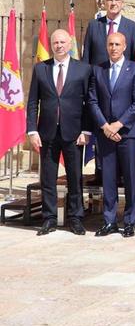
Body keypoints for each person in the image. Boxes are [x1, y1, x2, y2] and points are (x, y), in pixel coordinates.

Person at [26, 29, 92, 236]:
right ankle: (49, 218)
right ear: (51, 45)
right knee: (48, 177)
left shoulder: (83, 69)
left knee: (75, 177)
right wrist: (31, 130)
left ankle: (75, 218)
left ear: (70, 44)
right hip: (47, 132)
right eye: (55, 43)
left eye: (63, 42)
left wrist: (86, 130)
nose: (59, 46)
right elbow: (32, 103)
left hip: (73, 132)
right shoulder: (40, 69)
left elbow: (89, 103)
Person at [88, 32, 135, 238]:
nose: (113, 48)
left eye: (117, 44)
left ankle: (130, 221)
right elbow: (92, 101)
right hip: (105, 134)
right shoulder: (98, 70)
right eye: (110, 44)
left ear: (124, 47)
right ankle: (109, 220)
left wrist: (118, 124)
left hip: (128, 134)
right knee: (108, 179)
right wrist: (105, 126)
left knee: (130, 178)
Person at [82, 0, 135, 66]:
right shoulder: (93, 25)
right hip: (97, 75)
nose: (113, 3)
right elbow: (86, 54)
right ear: (104, 3)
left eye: (117, 0)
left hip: (123, 76)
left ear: (122, 4)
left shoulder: (132, 27)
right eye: (110, 0)